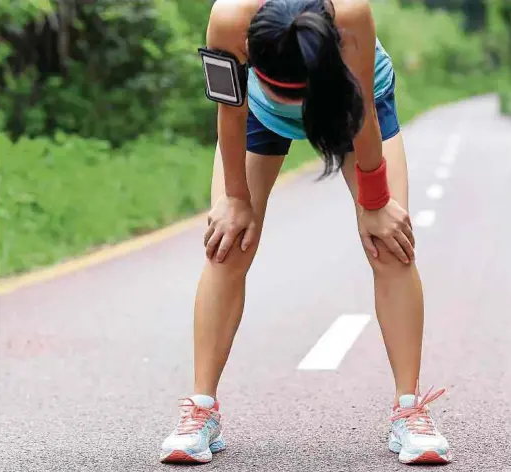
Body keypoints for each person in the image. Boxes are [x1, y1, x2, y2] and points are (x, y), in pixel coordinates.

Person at [160, 0, 451, 466]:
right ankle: (200, 410)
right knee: (226, 244)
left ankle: (409, 412)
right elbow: (228, 110)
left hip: (354, 107)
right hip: (255, 114)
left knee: (391, 244)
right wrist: (235, 200)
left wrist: (375, 204)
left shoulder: (351, 14)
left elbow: (365, 117)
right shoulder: (228, 18)